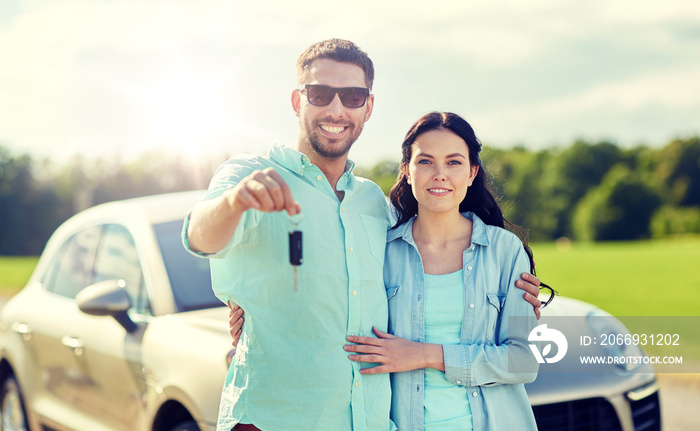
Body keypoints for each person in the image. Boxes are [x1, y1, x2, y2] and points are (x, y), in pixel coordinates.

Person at [185, 39, 542, 431]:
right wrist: (234, 204)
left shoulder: (374, 205)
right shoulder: (249, 175)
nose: (336, 109)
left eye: (352, 96)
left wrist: (511, 299)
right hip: (273, 419)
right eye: (320, 93)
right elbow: (200, 237)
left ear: (368, 107)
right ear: (296, 101)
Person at [344, 112, 540, 430]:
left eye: (453, 162)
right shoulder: (380, 252)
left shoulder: (505, 251)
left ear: (472, 172)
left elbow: (523, 362)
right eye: (425, 162)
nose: (439, 174)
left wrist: (424, 354)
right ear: (407, 171)